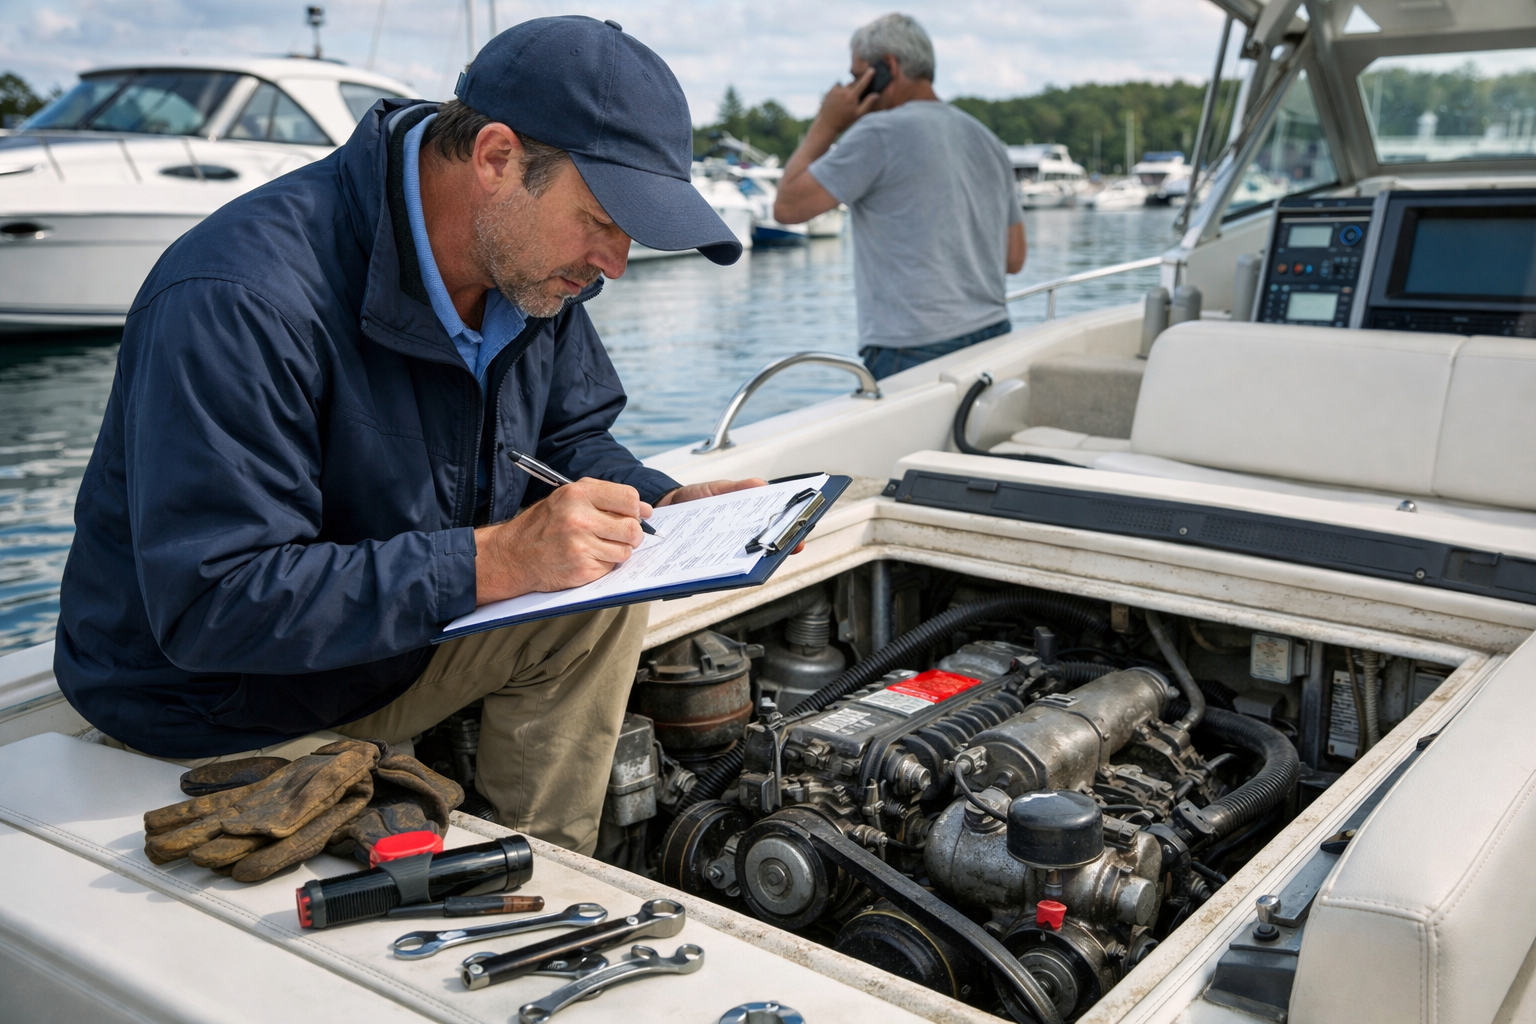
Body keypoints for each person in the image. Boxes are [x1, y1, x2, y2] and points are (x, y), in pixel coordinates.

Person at [54, 17, 764, 856]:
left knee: (607, 585)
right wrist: (493, 562)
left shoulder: (532, 272)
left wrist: (659, 505)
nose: (614, 262)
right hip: (216, 708)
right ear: (496, 159)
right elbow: (214, 604)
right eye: (602, 219)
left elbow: (568, 440)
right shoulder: (238, 296)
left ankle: (542, 865)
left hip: (385, 656)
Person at [774, 13, 1027, 379]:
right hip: (992, 337)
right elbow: (1014, 259)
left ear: (888, 67)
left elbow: (787, 207)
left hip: (912, 347)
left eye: (856, 76)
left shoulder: (878, 134)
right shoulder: (987, 139)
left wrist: (827, 124)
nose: (851, 88)